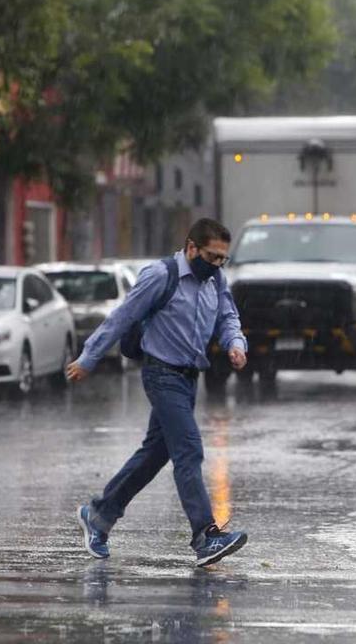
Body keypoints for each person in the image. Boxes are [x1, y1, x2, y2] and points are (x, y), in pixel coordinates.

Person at [67, 218, 250, 567]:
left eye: (222, 259)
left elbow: (228, 316)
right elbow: (122, 317)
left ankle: (100, 515)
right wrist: (89, 357)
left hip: (188, 378)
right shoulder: (160, 275)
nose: (216, 265)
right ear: (191, 247)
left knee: (154, 455)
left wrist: (235, 343)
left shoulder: (215, 279)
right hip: (161, 372)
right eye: (211, 256)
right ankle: (205, 536)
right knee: (189, 451)